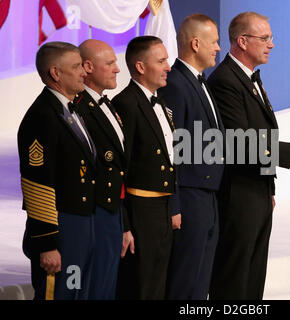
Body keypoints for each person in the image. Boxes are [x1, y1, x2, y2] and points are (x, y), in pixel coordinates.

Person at [207, 11, 290, 299]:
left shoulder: (248, 78)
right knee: (234, 277)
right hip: (237, 195)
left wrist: (268, 186)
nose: (271, 44)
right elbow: (240, 143)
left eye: (271, 37)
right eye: (265, 38)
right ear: (242, 41)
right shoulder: (225, 81)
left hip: (255, 191)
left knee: (253, 276)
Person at [18, 42, 96, 299]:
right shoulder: (42, 115)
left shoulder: (70, 110)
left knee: (77, 294)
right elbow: (37, 183)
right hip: (61, 229)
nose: (84, 72)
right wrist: (48, 243)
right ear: (55, 73)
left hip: (81, 224)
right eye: (76, 67)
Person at [159, 14, 223, 300]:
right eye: (215, 42)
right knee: (186, 281)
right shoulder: (175, 84)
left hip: (207, 195)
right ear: (196, 43)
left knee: (200, 280)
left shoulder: (199, 81)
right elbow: (171, 151)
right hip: (188, 196)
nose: (218, 48)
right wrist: (175, 204)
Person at [112, 36, 180, 300]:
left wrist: (173, 205)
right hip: (140, 211)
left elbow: (169, 160)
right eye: (161, 61)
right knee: (140, 286)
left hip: (162, 210)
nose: (168, 67)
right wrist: (125, 224)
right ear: (140, 67)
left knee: (158, 285)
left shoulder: (160, 102)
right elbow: (120, 169)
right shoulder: (126, 104)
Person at [74, 39, 125, 299]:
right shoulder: (78, 108)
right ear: (88, 67)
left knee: (106, 287)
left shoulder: (109, 105)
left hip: (112, 211)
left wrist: (123, 224)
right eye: (110, 63)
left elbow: (119, 169)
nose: (117, 69)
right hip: (91, 214)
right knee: (86, 288)